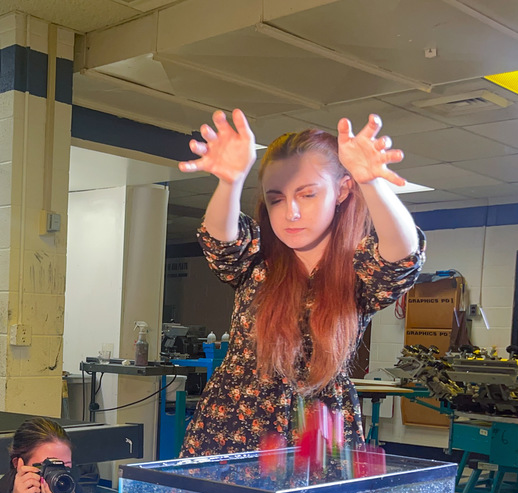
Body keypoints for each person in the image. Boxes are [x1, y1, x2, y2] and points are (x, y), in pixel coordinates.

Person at [177, 110, 425, 456]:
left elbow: (402, 257)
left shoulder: (358, 271)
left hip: (317, 433)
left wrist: (371, 183)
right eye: (276, 199)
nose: (290, 212)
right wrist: (230, 183)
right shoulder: (257, 257)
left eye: (307, 194)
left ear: (342, 191)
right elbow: (220, 240)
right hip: (231, 429)